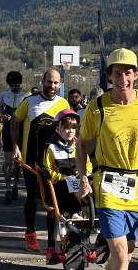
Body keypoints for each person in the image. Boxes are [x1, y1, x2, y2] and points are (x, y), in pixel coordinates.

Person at [76, 48, 138, 270]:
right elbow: (81, 143)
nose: (123, 79)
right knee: (119, 255)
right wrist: (83, 177)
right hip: (108, 186)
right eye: (117, 73)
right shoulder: (97, 107)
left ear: (136, 74)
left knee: (126, 254)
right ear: (109, 76)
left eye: (128, 73)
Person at [13, 68, 71, 252]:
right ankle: (30, 234)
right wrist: (15, 146)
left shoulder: (63, 103)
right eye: (49, 82)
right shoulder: (29, 101)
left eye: (55, 83)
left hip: (53, 161)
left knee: (54, 202)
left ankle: (52, 245)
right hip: (30, 159)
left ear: (59, 84)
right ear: (43, 81)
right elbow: (15, 121)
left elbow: (69, 129)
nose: (52, 86)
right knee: (32, 198)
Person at [42, 108, 91, 265]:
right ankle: (72, 214)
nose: (70, 131)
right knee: (64, 191)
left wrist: (83, 175)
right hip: (60, 187)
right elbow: (48, 170)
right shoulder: (51, 148)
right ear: (58, 128)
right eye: (67, 128)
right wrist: (65, 178)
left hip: (78, 185)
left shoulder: (79, 146)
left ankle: (91, 231)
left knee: (92, 189)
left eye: (73, 128)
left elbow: (88, 165)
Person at [0, 71, 29, 203]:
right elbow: (0, 106)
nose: (14, 88)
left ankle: (15, 185)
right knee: (7, 162)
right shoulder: (4, 94)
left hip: (21, 130)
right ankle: (7, 189)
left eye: (16, 85)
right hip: (7, 129)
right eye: (12, 85)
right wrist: (3, 115)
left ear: (20, 84)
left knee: (17, 162)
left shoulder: (27, 95)